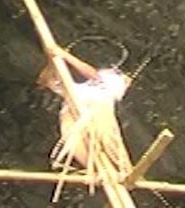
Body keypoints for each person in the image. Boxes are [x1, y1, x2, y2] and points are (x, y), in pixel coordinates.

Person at [36, 45, 131, 183]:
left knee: (105, 136)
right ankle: (95, 170)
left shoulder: (113, 82)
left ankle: (119, 170)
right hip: (72, 114)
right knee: (73, 141)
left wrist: (65, 55)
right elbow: (45, 80)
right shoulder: (74, 88)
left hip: (96, 110)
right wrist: (53, 60)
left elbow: (93, 75)